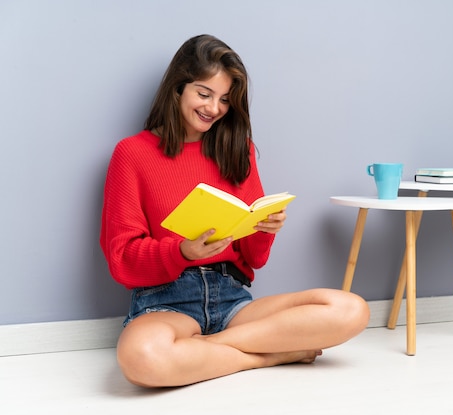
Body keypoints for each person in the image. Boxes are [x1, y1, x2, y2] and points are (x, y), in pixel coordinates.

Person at [100, 34, 370, 388]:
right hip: (165, 300)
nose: (214, 108)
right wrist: (181, 250)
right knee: (142, 359)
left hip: (233, 298)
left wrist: (263, 229)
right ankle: (269, 355)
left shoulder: (236, 149)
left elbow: (253, 260)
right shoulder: (132, 153)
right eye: (204, 93)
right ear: (177, 88)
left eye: (225, 99)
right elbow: (121, 258)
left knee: (351, 310)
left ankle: (204, 352)